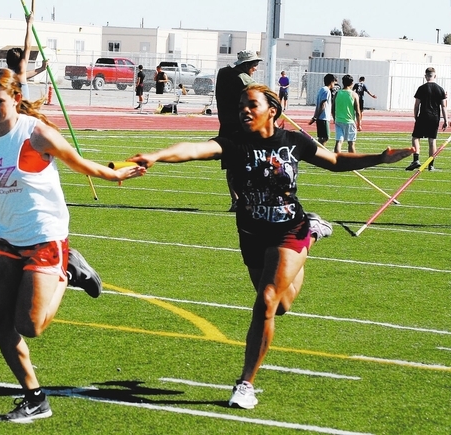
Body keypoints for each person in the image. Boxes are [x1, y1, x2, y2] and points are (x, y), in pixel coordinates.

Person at [127, 83, 414, 410]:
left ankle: (245, 384)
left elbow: (334, 159)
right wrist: (157, 155)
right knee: (280, 306)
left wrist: (381, 158)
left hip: (289, 230)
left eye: (252, 105)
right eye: (241, 106)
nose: (244, 111)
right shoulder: (234, 143)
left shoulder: (293, 141)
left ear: (272, 111)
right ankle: (316, 233)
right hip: (252, 233)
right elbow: (193, 149)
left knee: (265, 300)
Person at [0, 68, 146, 422]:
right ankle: (35, 398)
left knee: (31, 326)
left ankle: (68, 270)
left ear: (16, 99)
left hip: (44, 235)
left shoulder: (36, 135)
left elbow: (80, 164)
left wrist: (116, 173)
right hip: (5, 237)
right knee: (1, 321)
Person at [216, 49, 263, 212]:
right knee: (246, 164)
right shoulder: (243, 79)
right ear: (246, 65)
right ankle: (243, 200)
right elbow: (261, 94)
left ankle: (236, 200)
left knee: (231, 166)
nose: (256, 67)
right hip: (241, 128)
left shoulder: (223, 73)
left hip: (226, 126)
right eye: (254, 64)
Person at [405, 67, 448, 171]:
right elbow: (444, 106)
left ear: (425, 76)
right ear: (435, 76)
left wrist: (416, 116)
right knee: (432, 140)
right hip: (434, 117)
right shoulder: (440, 89)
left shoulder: (422, 88)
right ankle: (431, 165)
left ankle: (416, 159)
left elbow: (417, 105)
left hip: (423, 115)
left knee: (416, 137)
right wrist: (446, 120)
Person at [5, 0, 48, 101]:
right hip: (22, 109)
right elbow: (28, 46)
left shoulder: (9, 74)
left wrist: (42, 68)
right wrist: (29, 24)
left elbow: (25, 75)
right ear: (20, 61)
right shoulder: (20, 70)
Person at [333, 74, 361, 153]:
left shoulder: (337, 93)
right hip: (350, 121)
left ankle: (337, 159)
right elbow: (358, 111)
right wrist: (359, 124)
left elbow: (333, 108)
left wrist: (334, 118)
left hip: (339, 120)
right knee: (351, 143)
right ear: (352, 83)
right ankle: (352, 160)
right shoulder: (354, 94)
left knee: (339, 142)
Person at [308, 73, 336, 146]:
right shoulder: (326, 90)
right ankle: (319, 150)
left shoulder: (322, 89)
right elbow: (323, 104)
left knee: (321, 138)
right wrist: (316, 117)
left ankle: (319, 150)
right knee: (325, 137)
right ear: (331, 82)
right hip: (323, 117)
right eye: (334, 82)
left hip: (321, 117)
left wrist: (315, 117)